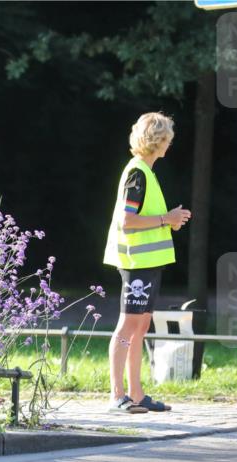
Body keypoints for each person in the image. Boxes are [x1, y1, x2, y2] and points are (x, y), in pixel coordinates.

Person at [103, 112, 190, 413]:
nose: (169, 144)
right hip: (136, 262)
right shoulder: (138, 173)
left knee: (140, 327)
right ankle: (117, 395)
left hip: (148, 262)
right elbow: (128, 221)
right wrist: (167, 218)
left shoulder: (146, 172)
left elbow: (142, 218)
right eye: (167, 139)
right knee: (128, 326)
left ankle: (137, 394)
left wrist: (170, 221)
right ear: (157, 140)